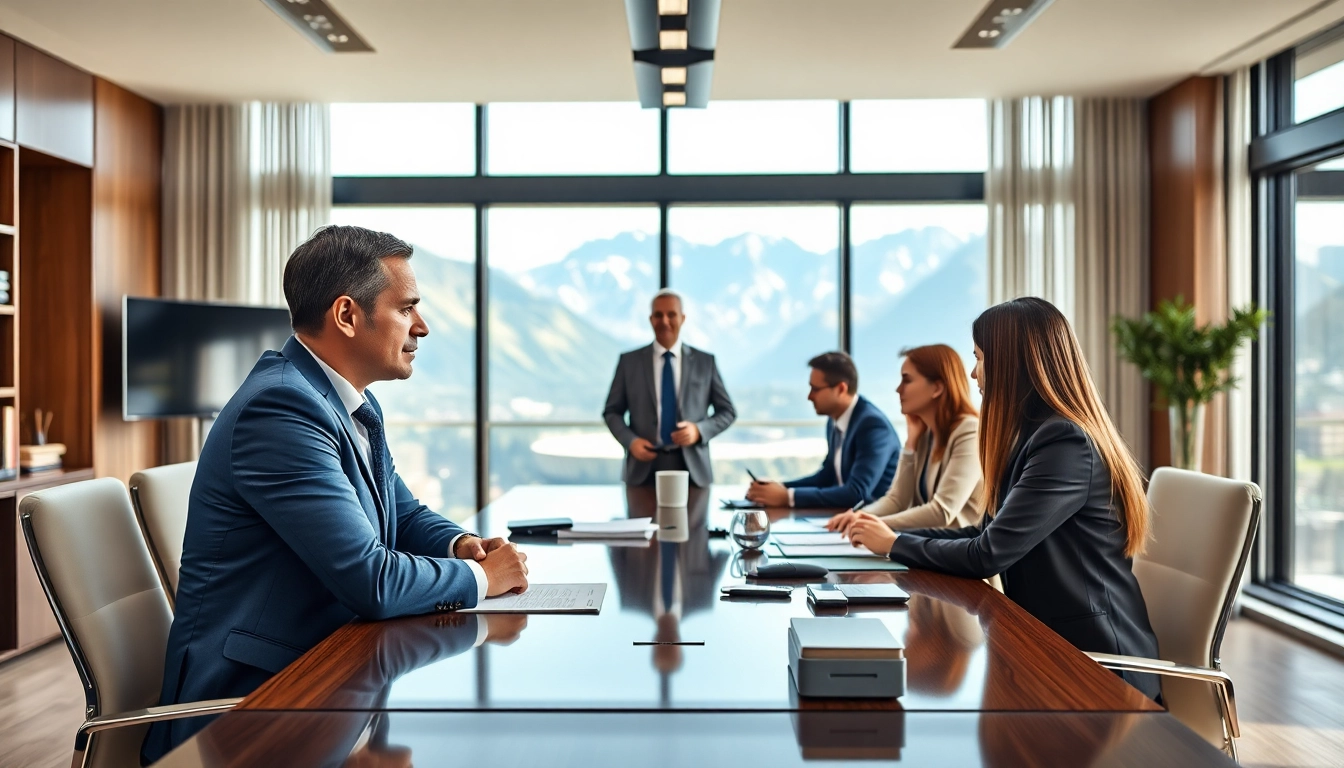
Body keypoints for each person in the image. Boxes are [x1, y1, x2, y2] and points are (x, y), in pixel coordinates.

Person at [143, 225, 530, 763]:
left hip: (327, 678)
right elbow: (369, 579)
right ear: (347, 315)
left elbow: (404, 512)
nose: (423, 326)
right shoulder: (280, 410)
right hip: (255, 708)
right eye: (407, 308)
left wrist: (461, 545)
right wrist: (484, 579)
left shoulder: (340, 404)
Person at [847, 297, 1160, 699]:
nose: (974, 373)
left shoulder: (1065, 442)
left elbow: (988, 554)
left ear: (1011, 364)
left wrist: (895, 543)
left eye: (979, 358)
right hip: (1049, 645)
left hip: (1097, 666)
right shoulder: (1034, 436)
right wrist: (891, 543)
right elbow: (983, 532)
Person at [826, 344, 983, 533]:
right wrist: (859, 515)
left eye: (906, 380)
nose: (898, 389)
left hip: (959, 553)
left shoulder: (969, 431)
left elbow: (942, 511)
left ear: (937, 388)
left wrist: (872, 524)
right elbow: (897, 500)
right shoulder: (926, 435)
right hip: (930, 546)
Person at [603, 289, 737, 487]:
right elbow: (612, 412)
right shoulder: (629, 362)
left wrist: (699, 430)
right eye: (658, 315)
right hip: (642, 469)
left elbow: (728, 412)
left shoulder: (705, 362)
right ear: (650, 319)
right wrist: (631, 442)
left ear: (682, 318)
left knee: (695, 520)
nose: (664, 321)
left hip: (693, 471)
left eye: (671, 314)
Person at [747, 351, 899, 509]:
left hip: (878, 524)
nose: (809, 396)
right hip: (846, 518)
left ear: (841, 389)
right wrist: (777, 488)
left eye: (815, 389)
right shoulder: (834, 420)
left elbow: (857, 493)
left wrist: (788, 497)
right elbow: (827, 477)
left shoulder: (872, 426)